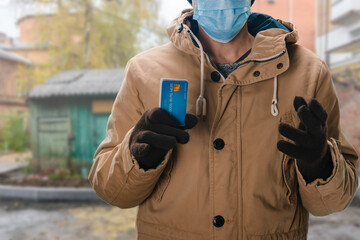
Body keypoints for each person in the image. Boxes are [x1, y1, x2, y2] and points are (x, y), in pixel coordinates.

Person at [88, 0, 359, 239]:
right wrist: (138, 157)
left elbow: (333, 203)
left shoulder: (308, 72)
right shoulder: (144, 70)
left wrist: (320, 164)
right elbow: (113, 192)